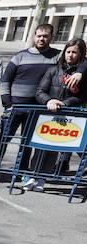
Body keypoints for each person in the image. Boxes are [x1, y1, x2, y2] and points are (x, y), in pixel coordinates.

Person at [0, 23, 60, 183]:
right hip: (15, 107)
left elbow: (80, 60)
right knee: (4, 139)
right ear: (34, 36)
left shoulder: (57, 57)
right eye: (38, 35)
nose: (41, 39)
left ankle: (21, 172)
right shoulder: (20, 56)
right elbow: (5, 80)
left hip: (38, 109)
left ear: (52, 37)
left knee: (27, 142)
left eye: (45, 36)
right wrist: (7, 103)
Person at [28, 38, 87, 191]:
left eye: (75, 52)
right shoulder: (53, 70)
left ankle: (42, 178)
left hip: (67, 117)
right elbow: (40, 91)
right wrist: (49, 101)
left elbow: (82, 97)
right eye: (68, 52)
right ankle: (32, 176)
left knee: (53, 148)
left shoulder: (82, 75)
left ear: (80, 55)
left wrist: (65, 104)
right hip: (46, 114)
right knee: (40, 146)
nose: (71, 55)